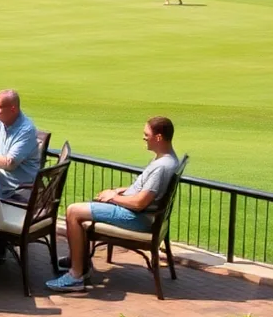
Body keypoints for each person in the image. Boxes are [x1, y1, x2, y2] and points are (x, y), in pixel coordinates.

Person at [45, 116, 180, 293]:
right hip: (141, 214)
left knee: (73, 211)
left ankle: (76, 275)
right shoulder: (168, 159)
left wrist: (112, 197)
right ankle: (79, 259)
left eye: (146, 134)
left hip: (136, 218)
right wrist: (117, 190)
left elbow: (139, 203)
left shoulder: (161, 167)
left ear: (159, 137)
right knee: (83, 211)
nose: (144, 137)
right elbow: (144, 189)